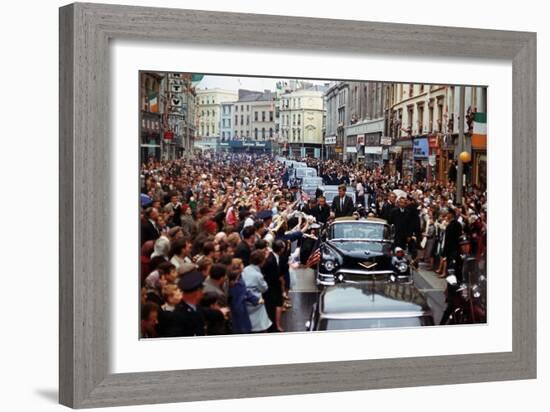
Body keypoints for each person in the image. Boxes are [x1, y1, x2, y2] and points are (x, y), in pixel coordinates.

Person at [241, 250, 272, 333]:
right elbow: (264, 288)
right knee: (261, 326)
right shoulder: (258, 275)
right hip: (256, 303)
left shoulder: (245, 269)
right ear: (261, 262)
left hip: (245, 301)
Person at [437, 209, 463, 278]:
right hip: (457, 250)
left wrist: (444, 253)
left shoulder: (450, 226)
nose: (447, 215)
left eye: (448, 213)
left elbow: (447, 240)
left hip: (450, 251)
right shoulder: (458, 224)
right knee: (455, 269)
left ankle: (450, 286)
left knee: (450, 269)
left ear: (451, 214)